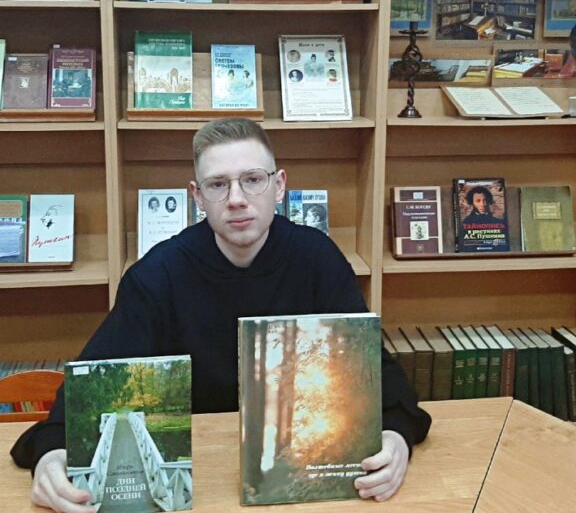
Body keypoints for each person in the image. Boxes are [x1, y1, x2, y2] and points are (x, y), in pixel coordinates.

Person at [11, 118, 431, 510]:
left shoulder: (318, 260)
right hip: (203, 486)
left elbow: (376, 374)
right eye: (218, 185)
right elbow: (88, 386)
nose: (236, 200)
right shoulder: (156, 276)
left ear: (279, 186)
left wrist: (396, 438)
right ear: (197, 196)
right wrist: (50, 456)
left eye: (253, 180)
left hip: (301, 476)